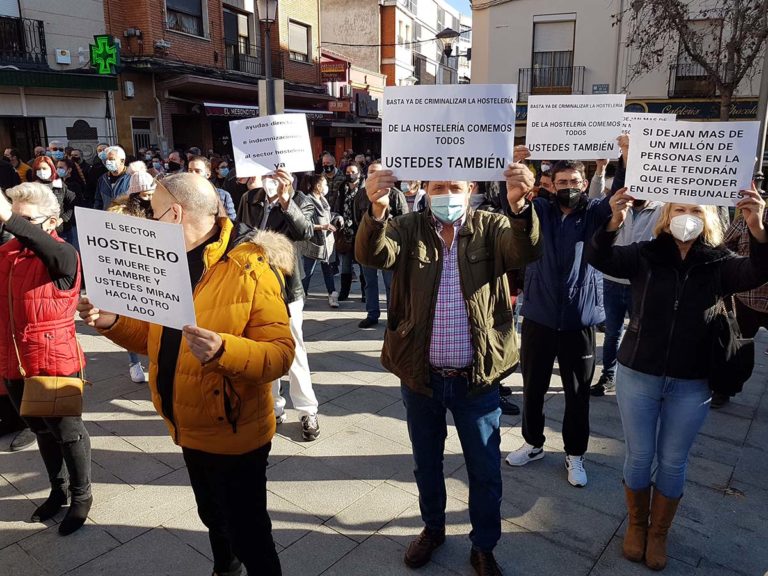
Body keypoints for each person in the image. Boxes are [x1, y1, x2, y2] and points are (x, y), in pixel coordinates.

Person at [78, 173, 294, 576]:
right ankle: (224, 568)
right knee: (212, 516)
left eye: (155, 214)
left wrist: (225, 351)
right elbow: (153, 339)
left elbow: (280, 356)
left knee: (250, 533)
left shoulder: (251, 267)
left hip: (235, 431)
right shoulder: (165, 262)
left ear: (175, 214)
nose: (149, 224)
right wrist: (112, 322)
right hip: (185, 423)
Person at [356, 163, 541, 576]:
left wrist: (519, 206)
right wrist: (376, 209)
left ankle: (484, 545)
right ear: (424, 187)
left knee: (485, 469)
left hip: (477, 379)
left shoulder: (492, 225)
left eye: (454, 186)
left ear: (470, 188)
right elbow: (371, 255)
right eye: (437, 185)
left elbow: (525, 252)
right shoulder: (405, 226)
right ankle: (433, 528)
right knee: (427, 462)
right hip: (421, 376)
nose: (445, 192)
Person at [585, 187, 767, 571]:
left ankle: (659, 532)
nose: (687, 216)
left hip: (691, 381)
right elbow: (599, 256)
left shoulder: (719, 263)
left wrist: (757, 228)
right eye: (680, 208)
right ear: (667, 214)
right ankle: (637, 525)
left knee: (672, 460)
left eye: (695, 210)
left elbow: (759, 271)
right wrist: (612, 222)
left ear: (709, 218)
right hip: (638, 374)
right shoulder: (645, 255)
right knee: (639, 456)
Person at [505, 158, 611, 489]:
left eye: (574, 181)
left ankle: (575, 453)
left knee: (577, 392)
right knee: (533, 386)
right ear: (551, 184)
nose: (569, 188)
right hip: (540, 314)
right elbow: (517, 211)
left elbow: (618, 204)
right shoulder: (541, 209)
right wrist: (517, 173)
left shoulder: (593, 212)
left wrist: (614, 164)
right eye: (562, 182)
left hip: (580, 319)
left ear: (585, 182)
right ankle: (533, 443)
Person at [0, 182, 92, 535]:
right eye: (13, 216)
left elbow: (41, 246)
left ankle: (82, 497)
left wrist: (10, 216)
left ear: (51, 220)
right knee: (40, 429)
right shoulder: (7, 253)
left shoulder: (63, 253)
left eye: (25, 220)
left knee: (68, 433)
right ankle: (59, 490)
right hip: (14, 358)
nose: (14, 226)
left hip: (53, 359)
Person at [237, 170, 321, 441]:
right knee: (263, 349)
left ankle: (307, 409)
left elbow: (304, 231)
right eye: (265, 173)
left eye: (276, 173)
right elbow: (238, 232)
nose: (270, 178)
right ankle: (272, 407)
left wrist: (286, 202)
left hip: (286, 289)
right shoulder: (250, 198)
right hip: (254, 284)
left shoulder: (300, 199)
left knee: (294, 350)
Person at [590, 138, 664, 397]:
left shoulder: (662, 209)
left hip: (642, 285)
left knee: (643, 333)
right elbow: (595, 197)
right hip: (611, 282)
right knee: (612, 334)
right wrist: (618, 158)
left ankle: (638, 377)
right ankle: (608, 376)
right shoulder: (616, 206)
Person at [93, 146, 146, 382]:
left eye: (112, 160)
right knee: (126, 309)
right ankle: (134, 362)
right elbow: (97, 202)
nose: (108, 163)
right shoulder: (103, 180)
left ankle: (155, 358)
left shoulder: (133, 182)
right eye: (107, 160)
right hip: (113, 244)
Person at [717, 203, 768, 408]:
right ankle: (723, 389)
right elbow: (725, 245)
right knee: (734, 347)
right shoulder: (751, 216)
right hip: (746, 299)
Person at [357, 164, 408, 328]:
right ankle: (372, 314)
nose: (375, 175)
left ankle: (392, 316)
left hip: (389, 248)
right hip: (368, 246)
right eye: (371, 172)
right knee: (369, 282)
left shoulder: (396, 194)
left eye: (379, 172)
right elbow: (356, 218)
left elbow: (404, 221)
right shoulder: (361, 194)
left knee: (391, 285)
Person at [298, 173, 341, 307]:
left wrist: (337, 218)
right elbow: (303, 223)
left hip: (327, 241)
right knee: (308, 271)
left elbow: (327, 215)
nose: (326, 186)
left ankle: (332, 294)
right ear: (318, 186)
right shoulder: (307, 200)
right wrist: (323, 226)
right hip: (314, 241)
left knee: (328, 269)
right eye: (325, 184)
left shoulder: (322, 198)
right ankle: (301, 296)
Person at [333, 162, 367, 302]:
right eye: (347, 172)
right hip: (346, 232)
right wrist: (337, 217)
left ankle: (365, 293)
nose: (350, 175)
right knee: (346, 265)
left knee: (363, 265)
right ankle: (344, 292)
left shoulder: (364, 189)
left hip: (361, 231)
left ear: (359, 173)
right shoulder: (342, 187)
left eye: (353, 172)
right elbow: (337, 206)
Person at [30, 156, 77, 241]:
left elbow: (72, 204)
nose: (41, 171)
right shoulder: (31, 188)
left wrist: (62, 219)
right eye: (38, 169)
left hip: (61, 231)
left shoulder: (59, 185)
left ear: (51, 168)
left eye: (44, 168)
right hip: (40, 232)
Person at [188, 156, 236, 220]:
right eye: (190, 170)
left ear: (208, 174)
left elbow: (231, 221)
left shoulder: (223, 196)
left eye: (197, 171)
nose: (192, 174)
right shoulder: (180, 195)